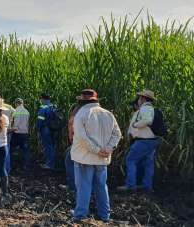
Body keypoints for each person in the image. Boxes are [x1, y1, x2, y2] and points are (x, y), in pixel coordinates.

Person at [71, 89, 122, 223]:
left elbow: (82, 138)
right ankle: (104, 215)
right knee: (101, 186)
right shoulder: (108, 114)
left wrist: (97, 150)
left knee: (84, 186)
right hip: (102, 159)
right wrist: (108, 149)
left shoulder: (81, 114)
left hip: (84, 157)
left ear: (81, 101)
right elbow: (117, 134)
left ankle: (81, 215)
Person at [117, 90, 159, 193]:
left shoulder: (145, 108)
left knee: (130, 160)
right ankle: (146, 186)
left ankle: (131, 186)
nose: (138, 100)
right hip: (151, 141)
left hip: (143, 141)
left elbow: (147, 121)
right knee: (148, 163)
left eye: (139, 98)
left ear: (143, 99)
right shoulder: (150, 109)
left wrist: (135, 125)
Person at [62, 103, 81, 192]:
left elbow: (73, 131)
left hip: (79, 144)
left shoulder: (77, 115)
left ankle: (73, 186)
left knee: (69, 161)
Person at [36, 93, 57, 170]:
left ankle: (49, 164)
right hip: (54, 129)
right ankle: (52, 163)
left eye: (41, 99)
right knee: (52, 146)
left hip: (45, 129)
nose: (40, 101)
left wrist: (38, 129)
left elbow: (40, 120)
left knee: (48, 147)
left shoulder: (43, 107)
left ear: (43, 99)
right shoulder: (54, 106)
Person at [10, 98, 31, 172]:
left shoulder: (16, 111)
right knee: (25, 151)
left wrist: (10, 130)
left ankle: (11, 165)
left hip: (17, 133)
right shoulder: (27, 112)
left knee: (11, 150)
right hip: (25, 133)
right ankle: (26, 166)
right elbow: (27, 123)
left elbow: (16, 124)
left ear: (16, 103)